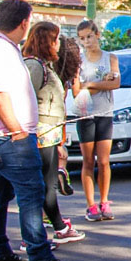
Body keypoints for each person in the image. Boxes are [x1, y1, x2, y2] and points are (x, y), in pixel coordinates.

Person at [0, 0, 75, 261]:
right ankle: (39, 256)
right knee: (31, 195)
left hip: (3, 136)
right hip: (9, 137)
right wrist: (16, 129)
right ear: (24, 22)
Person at [22, 22, 84, 245]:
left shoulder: (44, 65)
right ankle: (36, 236)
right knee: (43, 186)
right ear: (46, 41)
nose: (59, 45)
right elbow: (24, 101)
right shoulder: (34, 66)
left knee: (47, 185)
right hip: (40, 134)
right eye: (56, 39)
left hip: (49, 134)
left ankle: (56, 227)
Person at [72, 20, 120, 222]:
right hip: (85, 114)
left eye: (89, 37)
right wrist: (101, 84)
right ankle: (90, 204)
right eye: (82, 38)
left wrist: (89, 84)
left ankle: (105, 200)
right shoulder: (79, 61)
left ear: (97, 35)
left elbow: (116, 83)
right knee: (88, 160)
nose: (86, 42)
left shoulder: (110, 58)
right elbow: (76, 90)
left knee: (104, 160)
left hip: (105, 113)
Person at [54, 35, 83, 190]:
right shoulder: (56, 81)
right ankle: (60, 172)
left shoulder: (62, 78)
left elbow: (76, 93)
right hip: (51, 128)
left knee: (61, 157)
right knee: (58, 158)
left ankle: (61, 172)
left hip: (58, 125)